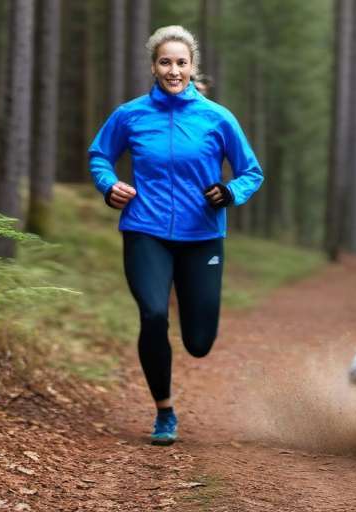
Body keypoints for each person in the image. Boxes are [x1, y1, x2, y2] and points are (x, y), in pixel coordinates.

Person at [87, 25, 263, 445]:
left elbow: (251, 172)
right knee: (152, 314)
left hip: (201, 235)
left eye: (181, 63)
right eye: (165, 62)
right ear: (153, 66)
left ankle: (194, 334)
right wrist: (109, 185)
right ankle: (164, 411)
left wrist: (229, 192)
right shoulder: (130, 115)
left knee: (199, 342)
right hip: (144, 229)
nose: (173, 69)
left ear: (191, 68)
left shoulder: (217, 118)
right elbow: (100, 156)